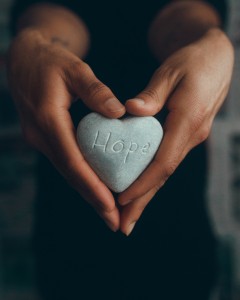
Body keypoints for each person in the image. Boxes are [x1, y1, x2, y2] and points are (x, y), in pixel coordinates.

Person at [7, 0, 234, 299]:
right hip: (69, 242)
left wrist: (208, 40)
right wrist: (36, 42)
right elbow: (53, 13)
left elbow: (183, 16)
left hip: (178, 239)